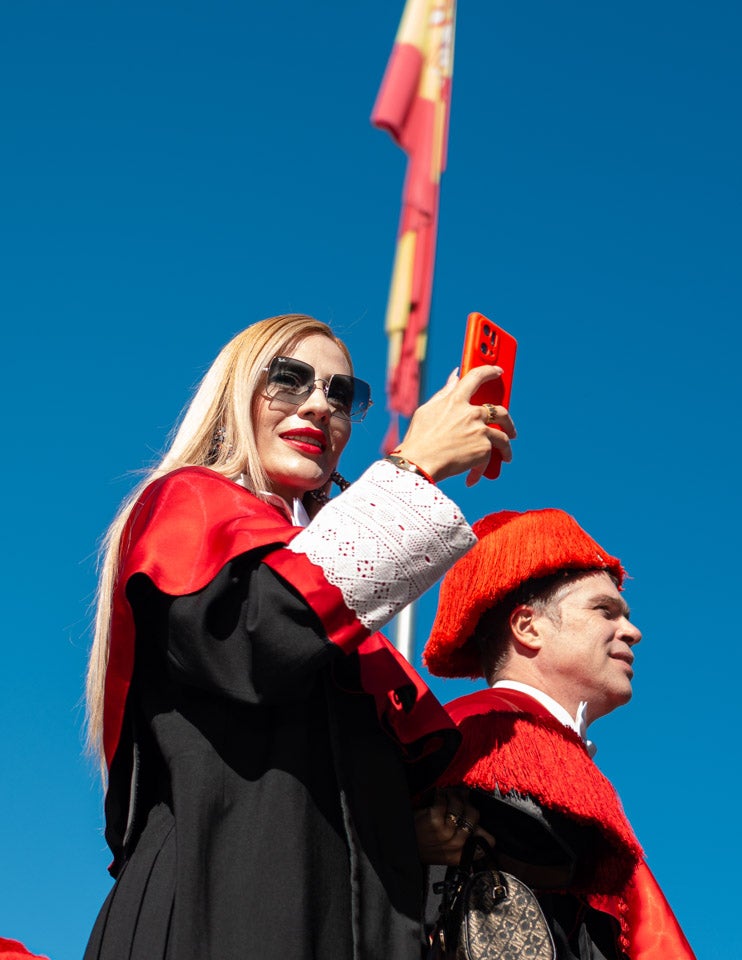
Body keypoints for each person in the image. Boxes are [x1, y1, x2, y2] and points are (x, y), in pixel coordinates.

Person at [83, 314, 515, 960]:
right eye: (288, 380)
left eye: (342, 394)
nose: (320, 403)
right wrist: (413, 468)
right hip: (213, 909)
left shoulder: (336, 601)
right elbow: (252, 643)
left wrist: (410, 830)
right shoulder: (188, 503)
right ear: (233, 398)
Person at [423, 508, 696, 960]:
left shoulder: (542, 749)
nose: (632, 631)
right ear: (528, 627)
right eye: (605, 611)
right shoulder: (483, 733)